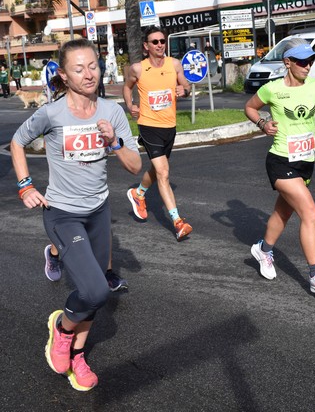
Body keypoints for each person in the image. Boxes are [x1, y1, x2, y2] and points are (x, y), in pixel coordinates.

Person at [11, 38, 142, 391]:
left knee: (95, 293)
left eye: (93, 66)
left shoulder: (112, 112)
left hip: (97, 212)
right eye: (79, 69)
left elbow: (134, 166)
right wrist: (25, 185)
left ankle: (78, 357)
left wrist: (114, 143)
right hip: (62, 214)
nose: (89, 74)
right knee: (95, 289)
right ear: (65, 76)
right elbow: (17, 142)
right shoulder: (52, 113)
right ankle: (61, 329)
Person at [244, 38, 315, 299]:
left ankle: (263, 250)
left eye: (311, 61)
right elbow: (250, 107)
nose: (308, 66)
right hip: (280, 160)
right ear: (288, 63)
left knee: (283, 213)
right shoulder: (272, 89)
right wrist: (263, 123)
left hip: (306, 160)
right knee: (310, 214)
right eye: (302, 61)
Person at [123, 25, 193, 241]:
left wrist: (186, 89)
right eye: (155, 42)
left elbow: (187, 86)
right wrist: (130, 105)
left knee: (157, 169)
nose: (160, 45)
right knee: (163, 172)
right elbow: (127, 87)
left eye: (162, 41)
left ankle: (138, 193)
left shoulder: (174, 64)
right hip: (148, 124)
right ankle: (178, 222)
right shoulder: (138, 69)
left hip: (169, 126)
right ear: (146, 46)